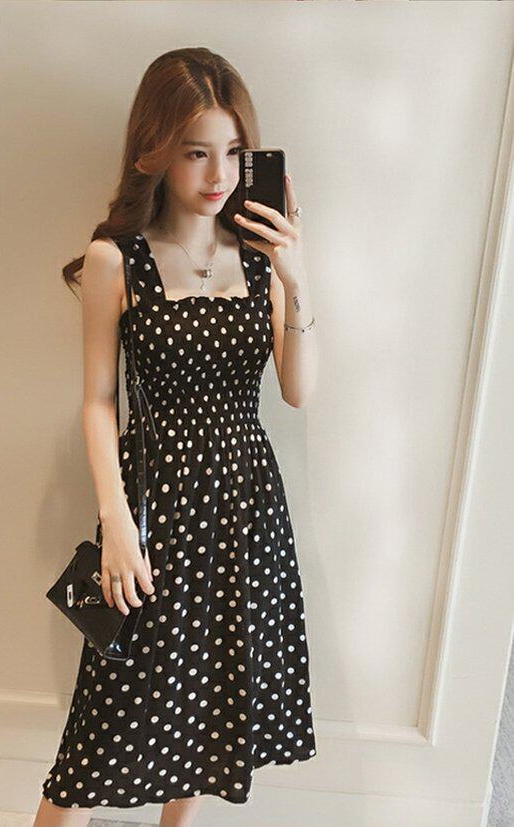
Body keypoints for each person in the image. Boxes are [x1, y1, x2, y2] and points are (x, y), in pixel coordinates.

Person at [34, 46, 318, 827]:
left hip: (245, 510)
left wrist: (297, 278)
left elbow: (298, 390)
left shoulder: (260, 259)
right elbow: (98, 402)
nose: (218, 173)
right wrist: (117, 522)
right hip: (152, 511)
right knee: (102, 727)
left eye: (233, 151)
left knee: (212, 711)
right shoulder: (114, 259)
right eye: (196, 152)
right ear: (154, 149)